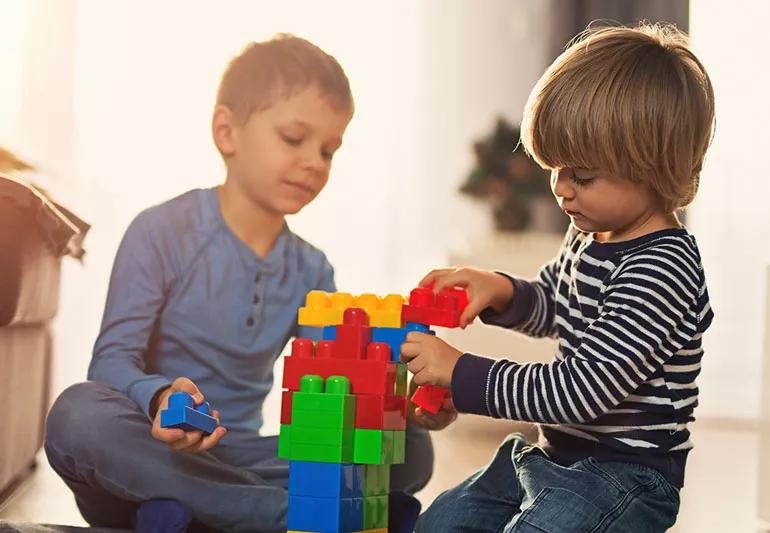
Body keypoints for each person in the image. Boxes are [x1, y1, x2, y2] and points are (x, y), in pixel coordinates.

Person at [45, 34, 447, 532]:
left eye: (329, 149)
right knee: (76, 415)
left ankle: (206, 512)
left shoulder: (312, 270)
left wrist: (407, 396)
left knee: (409, 448)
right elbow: (110, 362)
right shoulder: (161, 231)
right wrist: (159, 395)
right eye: (294, 139)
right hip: (152, 451)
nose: (315, 163)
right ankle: (292, 515)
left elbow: (338, 385)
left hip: (245, 456)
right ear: (227, 132)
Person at [403, 23, 715, 532]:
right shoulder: (594, 233)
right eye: (555, 168)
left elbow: (578, 391)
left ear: (654, 168)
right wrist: (500, 290)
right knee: (441, 523)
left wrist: (462, 376)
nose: (561, 190)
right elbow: (555, 301)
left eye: (582, 176)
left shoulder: (662, 268)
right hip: (554, 455)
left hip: (626, 478)